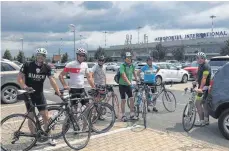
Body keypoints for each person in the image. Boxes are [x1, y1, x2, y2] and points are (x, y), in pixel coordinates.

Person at [17, 48, 61, 146]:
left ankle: (49, 137)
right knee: (31, 117)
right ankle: (34, 138)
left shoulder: (47, 67)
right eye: (39, 55)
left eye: (43, 55)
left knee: (46, 116)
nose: (41, 57)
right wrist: (25, 86)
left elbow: (52, 80)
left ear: (45, 57)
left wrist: (58, 91)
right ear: (36, 55)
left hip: (39, 95)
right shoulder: (27, 65)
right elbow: (19, 78)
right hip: (29, 95)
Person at [119, 51, 138, 122]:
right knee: (123, 100)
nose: (128, 59)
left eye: (129, 58)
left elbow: (134, 73)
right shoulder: (122, 66)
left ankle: (132, 114)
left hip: (128, 85)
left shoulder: (132, 65)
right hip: (122, 85)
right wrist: (129, 83)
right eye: (127, 58)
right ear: (125, 59)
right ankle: (123, 115)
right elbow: (123, 75)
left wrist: (137, 80)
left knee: (132, 99)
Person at [195, 52, 211, 126]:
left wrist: (200, 88)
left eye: (202, 58)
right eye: (198, 58)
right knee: (204, 105)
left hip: (204, 88)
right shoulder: (200, 66)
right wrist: (195, 81)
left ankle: (201, 121)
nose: (200, 59)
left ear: (204, 58)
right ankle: (206, 120)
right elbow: (199, 76)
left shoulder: (206, 66)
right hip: (204, 88)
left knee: (197, 104)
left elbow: (204, 78)